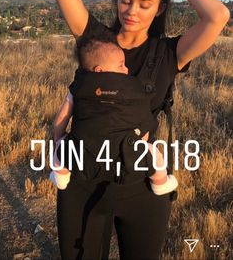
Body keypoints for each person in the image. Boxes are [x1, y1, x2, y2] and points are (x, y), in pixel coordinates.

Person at [49, 0, 229, 260]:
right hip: (82, 181)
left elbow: (217, 15)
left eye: (145, 4)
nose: (131, 11)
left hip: (143, 186)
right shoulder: (95, 40)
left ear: (159, 8)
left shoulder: (169, 53)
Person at [49, 34, 178, 196]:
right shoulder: (133, 90)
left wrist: (58, 140)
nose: (127, 69)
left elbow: (61, 119)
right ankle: (160, 183)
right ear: (100, 70)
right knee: (154, 154)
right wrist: (140, 145)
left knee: (62, 147)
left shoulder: (79, 87)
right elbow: (144, 122)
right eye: (121, 65)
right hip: (126, 162)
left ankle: (61, 175)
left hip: (83, 159)